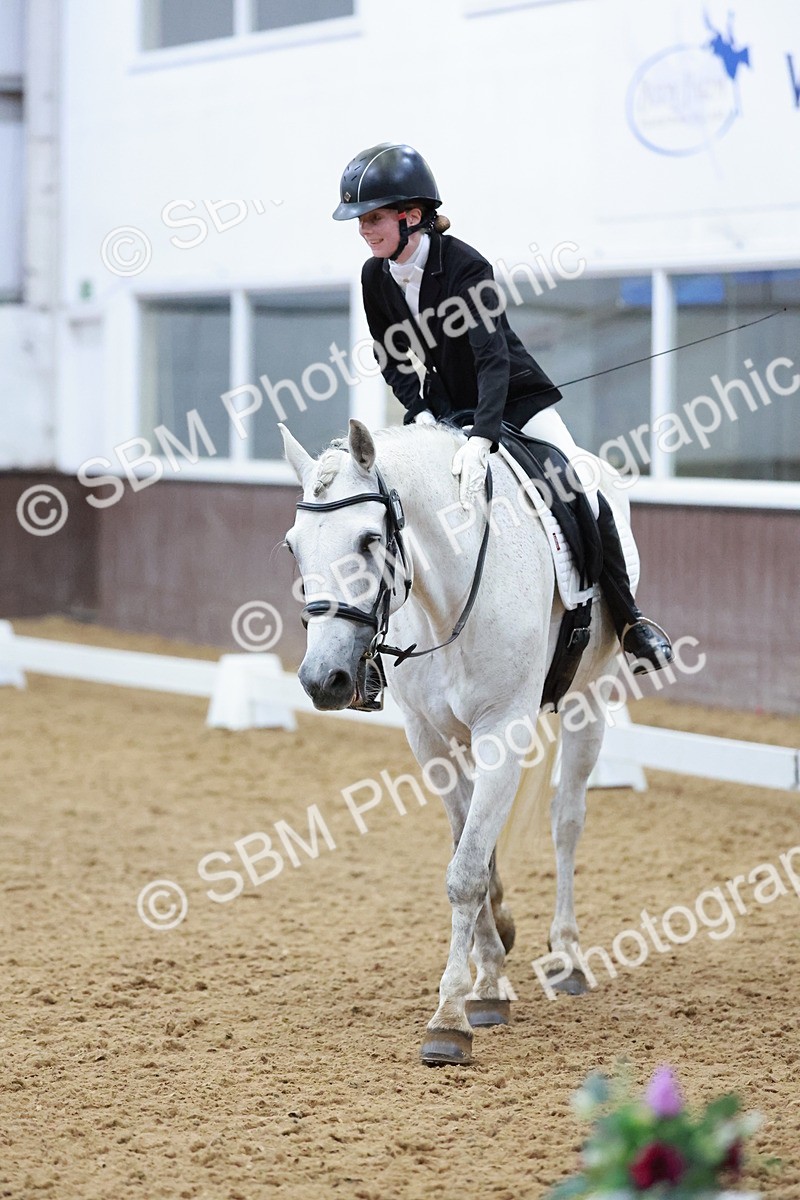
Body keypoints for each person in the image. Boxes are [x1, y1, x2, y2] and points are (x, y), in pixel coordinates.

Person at [333, 142, 673, 673]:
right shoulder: (374, 276)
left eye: (373, 218)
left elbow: (492, 360)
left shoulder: (467, 266)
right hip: (447, 409)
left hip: (514, 397)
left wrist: (484, 437)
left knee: (581, 482)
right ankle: (384, 644)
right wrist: (420, 412)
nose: (363, 229)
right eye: (359, 220)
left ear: (412, 216)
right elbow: (392, 356)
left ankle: (629, 622)